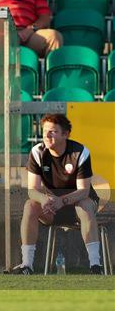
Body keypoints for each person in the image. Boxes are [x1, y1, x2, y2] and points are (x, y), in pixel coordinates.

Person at [11, 114, 102, 275]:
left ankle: (95, 266)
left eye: (52, 131)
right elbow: (32, 190)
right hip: (52, 207)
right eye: (45, 131)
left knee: (85, 205)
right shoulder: (37, 152)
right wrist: (44, 199)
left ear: (65, 134)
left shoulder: (80, 152)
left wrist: (63, 200)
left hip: (78, 205)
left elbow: (84, 191)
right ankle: (27, 265)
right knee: (30, 205)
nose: (47, 135)